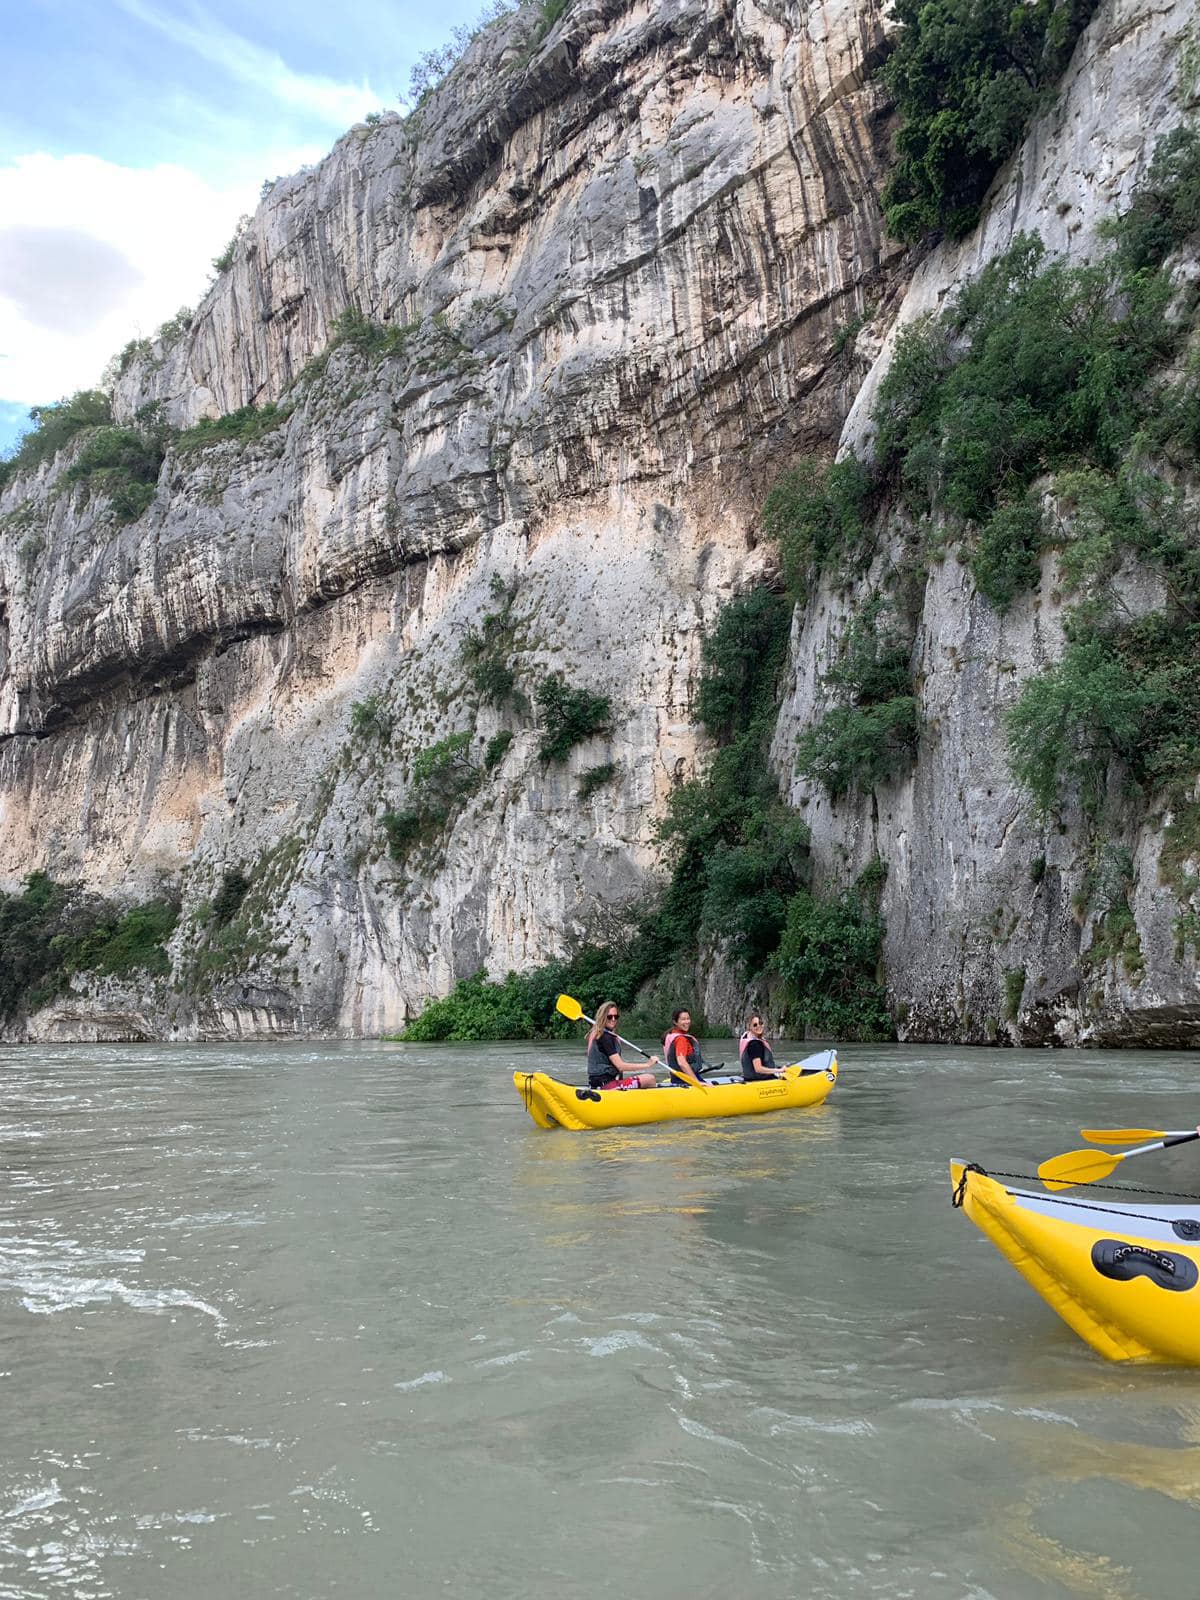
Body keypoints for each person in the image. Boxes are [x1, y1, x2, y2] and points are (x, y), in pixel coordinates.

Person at [587, 1002, 658, 1090]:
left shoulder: (598, 1033)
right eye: (609, 1016)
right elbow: (620, 1066)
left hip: (598, 1083)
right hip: (606, 1085)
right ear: (603, 1017)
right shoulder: (605, 1037)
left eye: (616, 1016)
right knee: (650, 1079)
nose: (613, 1019)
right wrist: (647, 1064)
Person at [663, 1009, 705, 1083]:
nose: (687, 1022)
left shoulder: (670, 1035)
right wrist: (696, 1082)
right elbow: (681, 1063)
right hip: (685, 1080)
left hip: (676, 1078)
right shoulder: (681, 1039)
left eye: (688, 1018)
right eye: (683, 1019)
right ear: (675, 1022)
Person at [740, 1013, 783, 1081]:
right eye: (755, 1025)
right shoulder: (754, 1044)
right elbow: (758, 1069)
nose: (759, 1026)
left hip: (749, 1077)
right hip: (758, 1080)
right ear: (750, 1027)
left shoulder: (747, 1036)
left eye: (760, 1023)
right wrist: (779, 1070)